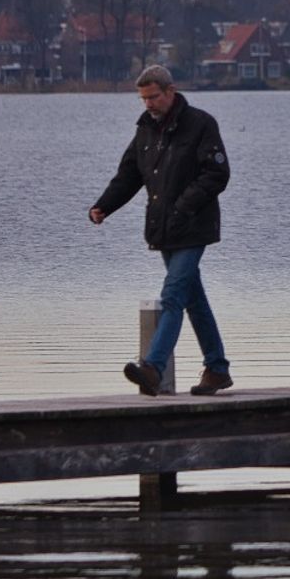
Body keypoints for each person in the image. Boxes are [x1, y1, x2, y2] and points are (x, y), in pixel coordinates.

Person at [89, 65, 234, 396]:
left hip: (194, 225)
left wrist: (184, 206)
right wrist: (103, 207)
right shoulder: (145, 130)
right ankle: (217, 368)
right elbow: (129, 176)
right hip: (163, 228)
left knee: (172, 296)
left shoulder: (200, 124)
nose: (148, 104)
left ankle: (153, 368)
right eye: (143, 99)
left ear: (171, 91)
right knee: (192, 299)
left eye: (153, 97)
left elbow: (217, 174)